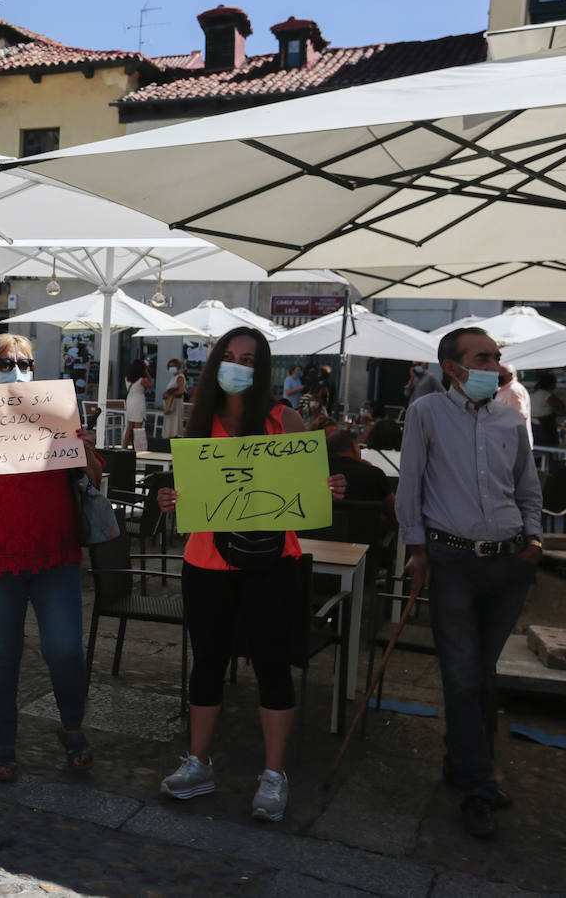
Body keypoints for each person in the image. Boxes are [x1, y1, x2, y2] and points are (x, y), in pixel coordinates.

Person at [155, 327, 345, 823]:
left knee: (273, 666)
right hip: (205, 563)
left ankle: (274, 774)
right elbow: (184, 494)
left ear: (263, 370)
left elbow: (311, 493)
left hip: (273, 563)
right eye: (230, 356)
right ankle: (198, 764)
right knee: (208, 663)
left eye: (249, 359)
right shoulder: (199, 423)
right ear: (216, 362)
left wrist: (330, 487)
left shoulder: (286, 419)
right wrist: (168, 500)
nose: (237, 365)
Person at [0, 333, 104, 782]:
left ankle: (72, 728)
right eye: (7, 363)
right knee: (2, 655)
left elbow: (94, 478)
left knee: (65, 650)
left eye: (26, 364)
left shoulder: (53, 412)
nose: (18, 371)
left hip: (55, 552)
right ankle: (3, 743)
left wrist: (84, 445)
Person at [397, 327, 542, 840]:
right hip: (452, 560)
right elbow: (409, 482)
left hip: (509, 564)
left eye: (497, 357)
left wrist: (535, 543)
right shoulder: (427, 412)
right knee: (461, 675)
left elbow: (528, 486)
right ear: (451, 367)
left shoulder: (510, 418)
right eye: (482, 357)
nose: (494, 366)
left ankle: (464, 765)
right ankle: (478, 785)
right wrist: (417, 550)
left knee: (481, 673)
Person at [327, 428, 395, 519]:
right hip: (369, 532)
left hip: (324, 532)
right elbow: (395, 510)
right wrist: (372, 470)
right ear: (354, 447)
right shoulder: (374, 474)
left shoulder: (319, 474)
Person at [494, 363, 533, 446]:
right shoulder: (505, 389)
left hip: (513, 442)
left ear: (510, 375)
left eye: (499, 375)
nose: (496, 377)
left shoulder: (513, 391)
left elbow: (520, 416)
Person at [123, 358, 153, 451]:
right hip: (138, 401)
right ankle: (139, 448)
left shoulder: (127, 379)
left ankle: (124, 447)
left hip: (130, 400)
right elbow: (151, 384)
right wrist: (147, 372)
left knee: (130, 425)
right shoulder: (141, 380)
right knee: (138, 426)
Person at [529, 373, 566, 446]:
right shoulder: (546, 394)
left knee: (538, 447)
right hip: (544, 425)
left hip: (533, 424)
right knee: (549, 446)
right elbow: (561, 407)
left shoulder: (533, 394)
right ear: (551, 384)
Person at [162, 358, 187, 438]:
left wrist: (169, 395)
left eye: (173, 366)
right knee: (170, 423)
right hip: (171, 404)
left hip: (175, 404)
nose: (171, 368)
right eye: (170, 366)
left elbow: (181, 390)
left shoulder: (180, 377)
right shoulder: (173, 377)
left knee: (175, 424)